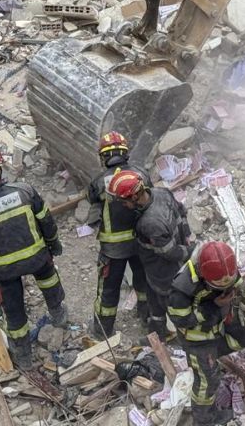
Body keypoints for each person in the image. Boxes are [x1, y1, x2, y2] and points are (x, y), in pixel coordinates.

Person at [0, 147, 67, 369]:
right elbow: (46, 221)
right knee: (49, 282)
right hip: (37, 258)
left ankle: (23, 356)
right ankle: (59, 315)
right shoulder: (24, 191)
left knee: (14, 311)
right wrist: (53, 243)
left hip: (4, 270)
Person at [168, 241, 245, 426]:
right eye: (217, 285)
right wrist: (214, 306)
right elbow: (181, 320)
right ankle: (204, 419)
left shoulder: (223, 269)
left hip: (219, 319)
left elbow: (236, 280)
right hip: (197, 337)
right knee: (208, 381)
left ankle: (212, 355)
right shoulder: (183, 288)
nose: (224, 287)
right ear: (203, 275)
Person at [107, 169, 192, 339]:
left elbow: (169, 252)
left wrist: (192, 251)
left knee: (166, 303)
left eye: (124, 202)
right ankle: (157, 333)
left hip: (162, 270)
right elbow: (182, 211)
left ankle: (181, 336)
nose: (123, 205)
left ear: (134, 197)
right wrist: (187, 237)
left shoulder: (149, 222)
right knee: (154, 300)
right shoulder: (162, 192)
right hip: (168, 263)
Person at [87, 132, 151, 338]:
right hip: (140, 243)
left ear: (103, 156)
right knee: (144, 282)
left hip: (112, 248)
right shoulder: (141, 174)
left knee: (108, 289)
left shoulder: (98, 182)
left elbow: (93, 201)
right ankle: (147, 319)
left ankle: (102, 331)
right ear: (125, 153)